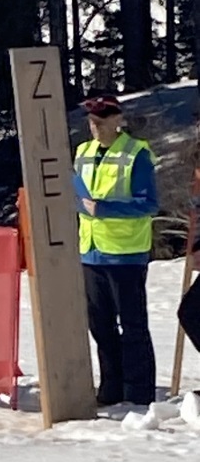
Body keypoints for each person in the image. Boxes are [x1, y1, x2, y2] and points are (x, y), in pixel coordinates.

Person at [74, 93, 158, 406]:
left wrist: (105, 209)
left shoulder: (136, 153)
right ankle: (111, 387)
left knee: (132, 325)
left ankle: (138, 391)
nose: (95, 127)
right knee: (100, 324)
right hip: (91, 249)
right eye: (91, 121)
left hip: (125, 253)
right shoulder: (82, 152)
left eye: (101, 121)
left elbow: (148, 203)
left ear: (117, 120)